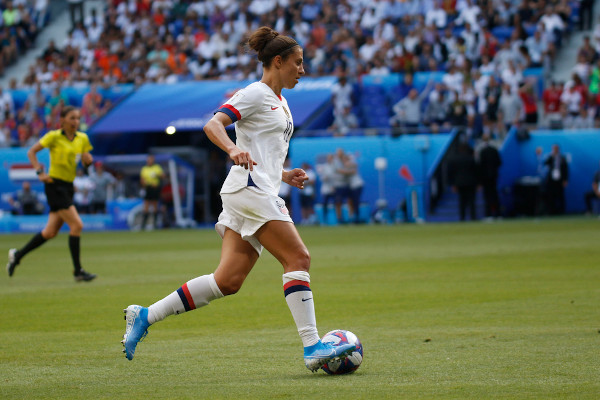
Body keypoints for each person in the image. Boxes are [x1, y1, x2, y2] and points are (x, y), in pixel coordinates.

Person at [121, 27, 355, 371]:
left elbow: (264, 152)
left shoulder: (281, 102)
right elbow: (213, 125)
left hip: (255, 186)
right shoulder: (255, 94)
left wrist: (284, 174)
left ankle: (145, 314)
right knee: (298, 258)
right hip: (249, 189)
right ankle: (312, 346)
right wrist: (232, 148)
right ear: (278, 61)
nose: (302, 70)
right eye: (298, 63)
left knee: (227, 281)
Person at [6, 106, 97, 282]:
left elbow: (86, 160)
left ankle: (17, 255)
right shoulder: (54, 136)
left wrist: (88, 162)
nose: (75, 122)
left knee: (49, 233)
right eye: (72, 118)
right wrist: (39, 172)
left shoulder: (82, 138)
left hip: (68, 186)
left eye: (78, 118)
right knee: (77, 225)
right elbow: (31, 151)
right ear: (62, 120)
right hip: (54, 186)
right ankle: (78, 271)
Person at [450, 142, 478, 221]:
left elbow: (452, 173)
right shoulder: (471, 159)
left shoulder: (455, 159)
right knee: (472, 201)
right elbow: (476, 171)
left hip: (460, 183)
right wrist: (478, 183)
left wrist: (453, 184)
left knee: (462, 201)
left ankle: (462, 217)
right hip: (471, 182)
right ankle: (473, 217)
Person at [477, 134, 502, 219]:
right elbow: (499, 162)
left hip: (485, 177)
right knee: (495, 195)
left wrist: (480, 179)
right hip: (494, 176)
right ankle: (498, 214)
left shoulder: (482, 151)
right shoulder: (494, 150)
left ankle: (489, 214)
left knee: (487, 196)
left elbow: (480, 166)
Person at [140, 154, 165, 230]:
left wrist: (157, 175)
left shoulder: (157, 167)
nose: (150, 161)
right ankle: (143, 225)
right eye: (149, 159)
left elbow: (162, 176)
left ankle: (155, 224)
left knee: (155, 205)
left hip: (155, 188)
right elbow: (142, 179)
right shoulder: (144, 168)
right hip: (148, 188)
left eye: (151, 159)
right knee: (146, 205)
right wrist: (145, 184)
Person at [543, 144, 569, 215]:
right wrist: (551, 156)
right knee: (551, 195)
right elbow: (545, 163)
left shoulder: (562, 157)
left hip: (560, 179)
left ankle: (562, 211)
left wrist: (565, 179)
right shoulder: (551, 157)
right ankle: (551, 211)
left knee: (560, 196)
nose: (555, 150)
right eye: (553, 149)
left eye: (556, 148)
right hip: (551, 179)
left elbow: (566, 169)